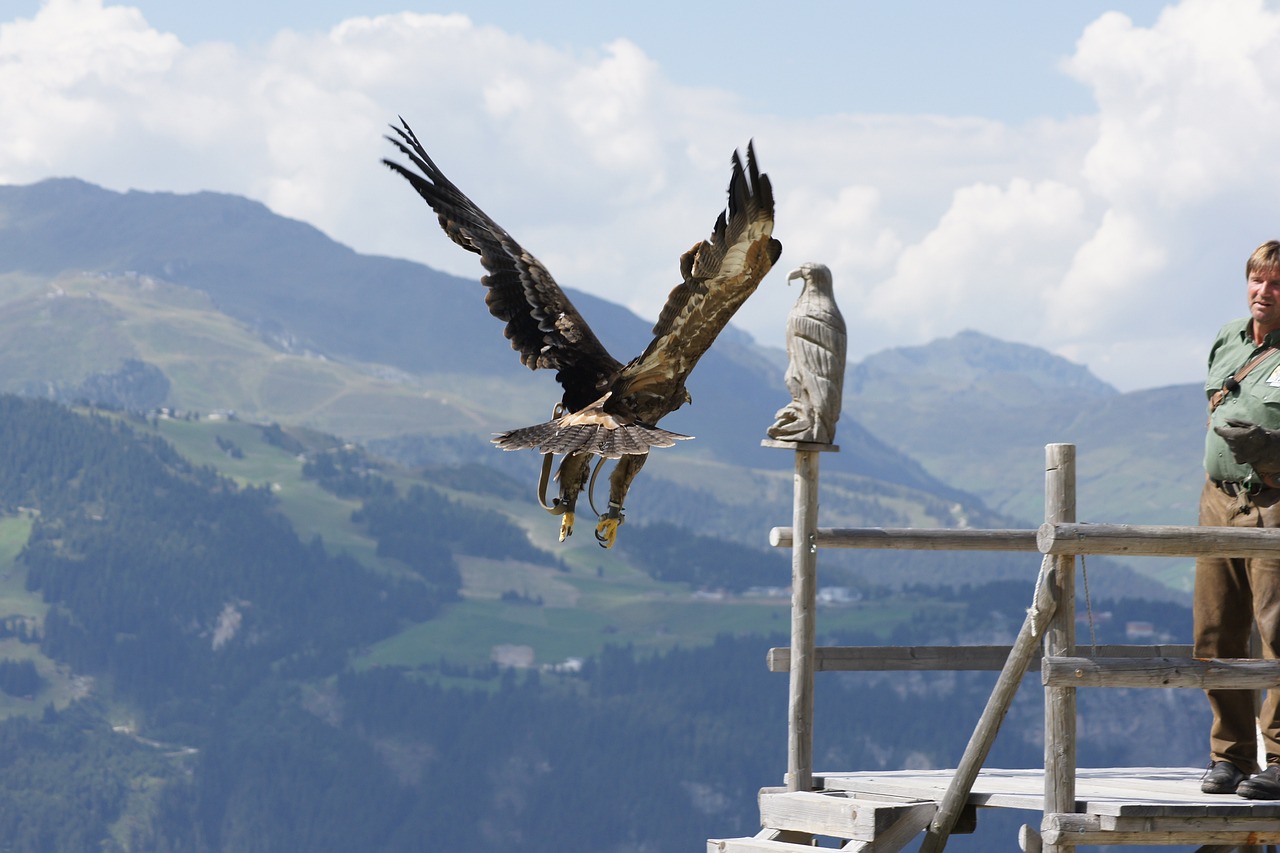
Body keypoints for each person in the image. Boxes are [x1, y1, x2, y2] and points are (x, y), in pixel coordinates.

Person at [1197, 239, 1280, 799]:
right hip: (1218, 499)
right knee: (1215, 632)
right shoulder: (1227, 340)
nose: (1264, 292)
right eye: (1257, 280)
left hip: (1275, 499)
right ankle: (1230, 757)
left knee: (1278, 630)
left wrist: (1268, 448)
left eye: (1276, 285)